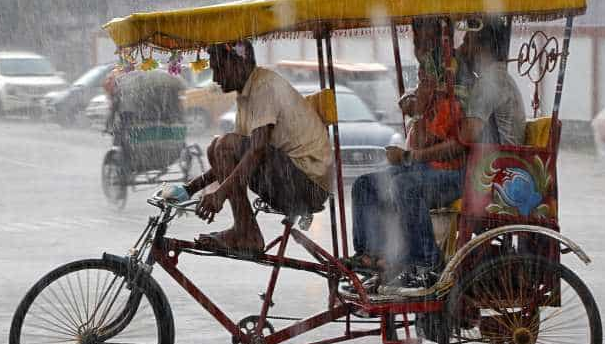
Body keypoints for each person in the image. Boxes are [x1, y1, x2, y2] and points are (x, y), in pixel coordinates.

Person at [162, 40, 333, 253]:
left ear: (239, 63)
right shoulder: (247, 94)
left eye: (219, 69)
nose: (215, 79)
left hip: (308, 186)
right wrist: (189, 189)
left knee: (224, 145)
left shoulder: (263, 86)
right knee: (215, 147)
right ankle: (245, 230)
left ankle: (246, 233)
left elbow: (257, 150)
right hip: (294, 179)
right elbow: (233, 159)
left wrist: (220, 194)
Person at [347, 18, 466, 293]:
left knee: (404, 187)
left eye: (425, 39)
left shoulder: (454, 74)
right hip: (425, 167)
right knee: (365, 184)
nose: (419, 46)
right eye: (416, 39)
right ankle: (375, 256)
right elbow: (421, 133)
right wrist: (418, 105)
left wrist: (411, 155)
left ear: (440, 37)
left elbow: (458, 143)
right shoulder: (428, 74)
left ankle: (425, 263)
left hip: (455, 172)